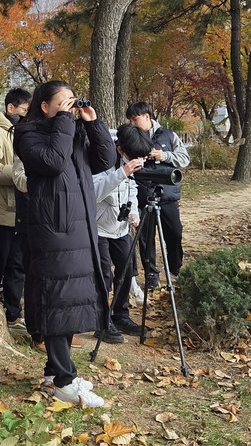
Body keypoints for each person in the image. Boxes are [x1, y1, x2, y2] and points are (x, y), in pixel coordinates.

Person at [13, 81, 115, 408]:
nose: (71, 107)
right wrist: (65, 123)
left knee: (72, 302)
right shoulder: (28, 134)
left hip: (79, 228)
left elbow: (106, 159)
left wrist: (93, 124)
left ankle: (52, 372)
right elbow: (54, 161)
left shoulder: (71, 132)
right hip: (52, 230)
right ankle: (65, 381)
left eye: (73, 101)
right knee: (57, 301)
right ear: (45, 106)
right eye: (64, 102)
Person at [92, 124, 153, 341]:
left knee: (127, 270)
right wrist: (121, 173)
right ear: (120, 149)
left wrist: (134, 212)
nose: (138, 161)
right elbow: (93, 193)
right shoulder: (102, 160)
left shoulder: (134, 162)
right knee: (103, 275)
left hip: (120, 228)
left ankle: (120, 314)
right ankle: (101, 321)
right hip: (98, 228)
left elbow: (132, 191)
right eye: (134, 156)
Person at [0, 87, 31, 332]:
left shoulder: (20, 131)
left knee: (17, 266)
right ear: (11, 108)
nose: (26, 115)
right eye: (24, 110)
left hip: (18, 211)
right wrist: (23, 173)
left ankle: (13, 314)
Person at [127, 101, 191, 289]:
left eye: (135, 119)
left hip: (168, 194)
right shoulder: (131, 137)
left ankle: (174, 268)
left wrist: (163, 156)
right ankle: (151, 275)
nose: (132, 123)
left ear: (147, 116)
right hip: (143, 194)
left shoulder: (169, 135)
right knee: (146, 239)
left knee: (175, 233)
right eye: (130, 120)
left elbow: (185, 159)